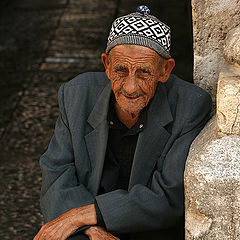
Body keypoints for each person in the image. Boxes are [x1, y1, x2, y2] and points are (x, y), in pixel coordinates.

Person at [34, 5, 212, 240]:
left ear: (165, 71)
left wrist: (83, 216)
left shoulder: (190, 106)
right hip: (89, 228)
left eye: (144, 72)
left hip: (149, 230)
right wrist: (89, 227)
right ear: (106, 65)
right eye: (121, 70)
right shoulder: (76, 95)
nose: (130, 87)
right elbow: (56, 173)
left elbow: (168, 195)